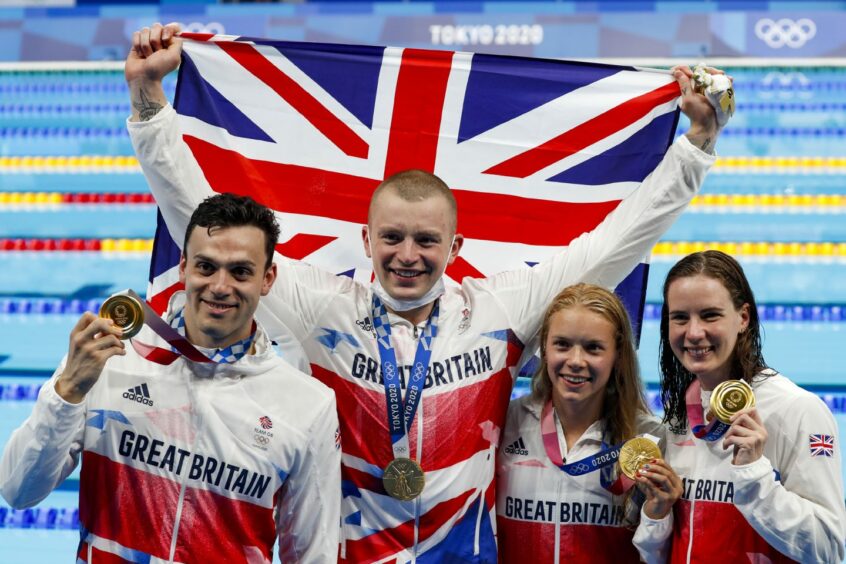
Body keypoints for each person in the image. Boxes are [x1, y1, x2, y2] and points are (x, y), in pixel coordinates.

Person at [125, 22, 726, 562]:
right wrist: (151, 104)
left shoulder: (497, 310)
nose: (407, 255)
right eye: (391, 237)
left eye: (425, 240)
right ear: (365, 239)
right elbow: (203, 225)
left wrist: (695, 144)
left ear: (455, 246)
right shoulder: (325, 308)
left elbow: (616, 242)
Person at [0, 193, 341, 563]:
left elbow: (313, 555)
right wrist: (67, 391)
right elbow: (18, 491)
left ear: (267, 278)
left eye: (240, 271)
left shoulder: (306, 406)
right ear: (183, 267)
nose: (220, 286)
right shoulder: (111, 358)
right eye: (206, 267)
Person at [633, 250, 846, 562]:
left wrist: (753, 475)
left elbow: (828, 546)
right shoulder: (681, 416)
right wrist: (656, 516)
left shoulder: (797, 409)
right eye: (680, 317)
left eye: (710, 315)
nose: (693, 333)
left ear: (743, 318)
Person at [496, 284, 682, 563]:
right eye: (563, 345)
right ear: (544, 347)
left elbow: (657, 557)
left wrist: (659, 514)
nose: (576, 361)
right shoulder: (505, 425)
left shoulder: (648, 439)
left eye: (593, 348)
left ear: (617, 355)